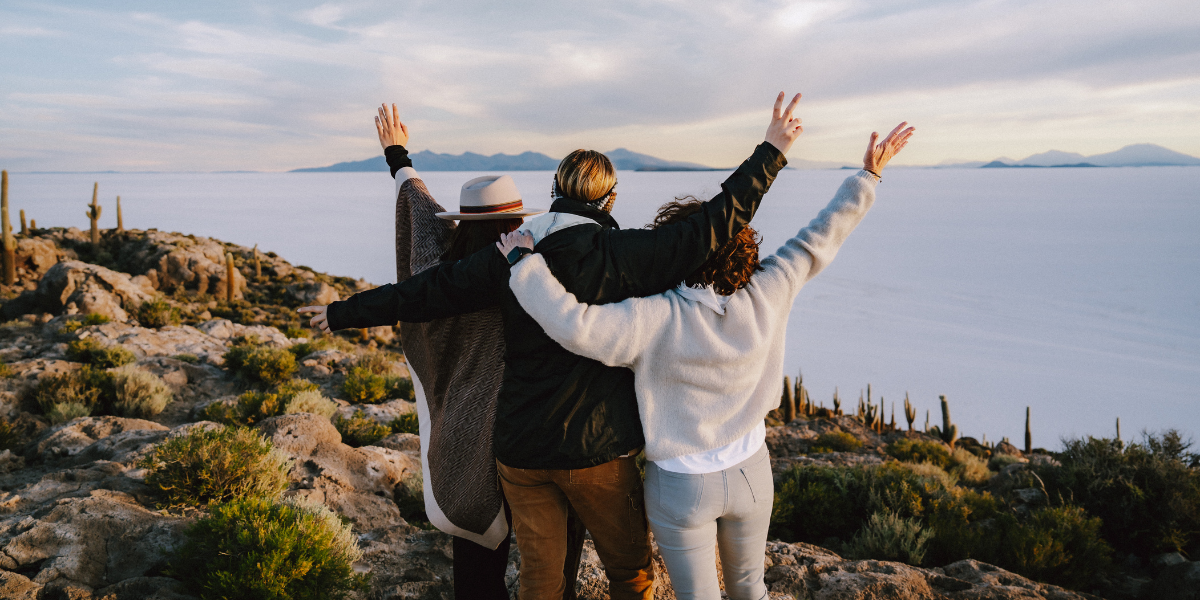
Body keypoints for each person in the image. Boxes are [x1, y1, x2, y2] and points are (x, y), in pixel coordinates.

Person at [302, 92, 805, 600]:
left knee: (540, 580)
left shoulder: (511, 252)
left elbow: (425, 291)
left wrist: (341, 311)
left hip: (521, 452)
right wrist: (771, 151)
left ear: (554, 190)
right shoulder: (624, 254)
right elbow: (716, 222)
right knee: (629, 575)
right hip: (598, 451)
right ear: (609, 199)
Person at [499, 123, 915, 600]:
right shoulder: (769, 289)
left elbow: (572, 325)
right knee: (749, 588)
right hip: (751, 471)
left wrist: (525, 267)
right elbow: (819, 238)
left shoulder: (652, 318)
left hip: (681, 485)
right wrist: (867, 177)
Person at [301, 104, 584, 600]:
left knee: (475, 561)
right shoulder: (539, 266)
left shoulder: (443, 269)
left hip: (466, 423)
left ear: (465, 221)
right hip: (538, 424)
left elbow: (419, 217)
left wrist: (398, 156)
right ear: (519, 217)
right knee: (557, 545)